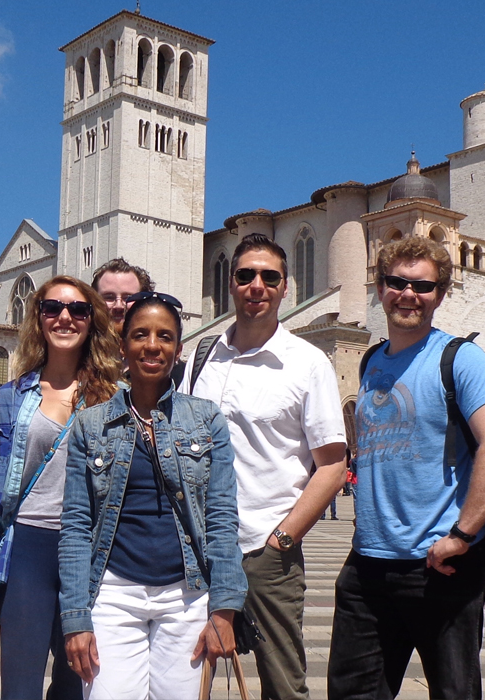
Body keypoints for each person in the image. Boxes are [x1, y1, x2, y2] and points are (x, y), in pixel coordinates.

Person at [327, 237, 485, 699]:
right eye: (396, 282)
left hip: (440, 568)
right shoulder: (371, 361)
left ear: (441, 293)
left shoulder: (460, 358)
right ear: (379, 287)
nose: (408, 294)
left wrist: (463, 535)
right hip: (368, 565)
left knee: (453, 693)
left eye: (422, 286)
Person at [184, 233, 347, 700]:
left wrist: (281, 541)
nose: (257, 285)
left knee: (283, 687)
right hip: (199, 549)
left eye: (269, 276)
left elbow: (333, 465)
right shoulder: (202, 356)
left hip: (266, 550)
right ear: (230, 284)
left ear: (285, 287)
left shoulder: (307, 363)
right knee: (190, 677)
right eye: (245, 275)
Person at [60, 292, 247, 699]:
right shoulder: (90, 426)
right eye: (140, 334)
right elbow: (75, 526)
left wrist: (224, 607)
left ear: (178, 350)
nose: (152, 345)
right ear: (123, 346)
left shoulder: (206, 419)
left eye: (164, 336)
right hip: (112, 593)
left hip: (187, 595)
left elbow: (221, 517)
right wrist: (76, 618)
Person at [0, 275, 121, 700]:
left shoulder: (116, 398)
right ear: (39, 318)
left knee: (79, 685)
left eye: (78, 309)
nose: (65, 317)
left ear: (92, 320)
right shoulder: (11, 396)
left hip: (90, 551)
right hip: (28, 549)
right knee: (20, 687)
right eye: (53, 308)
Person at [92, 258, 154, 335]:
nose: (119, 306)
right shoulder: (79, 345)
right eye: (109, 297)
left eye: (128, 297)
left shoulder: (154, 345)